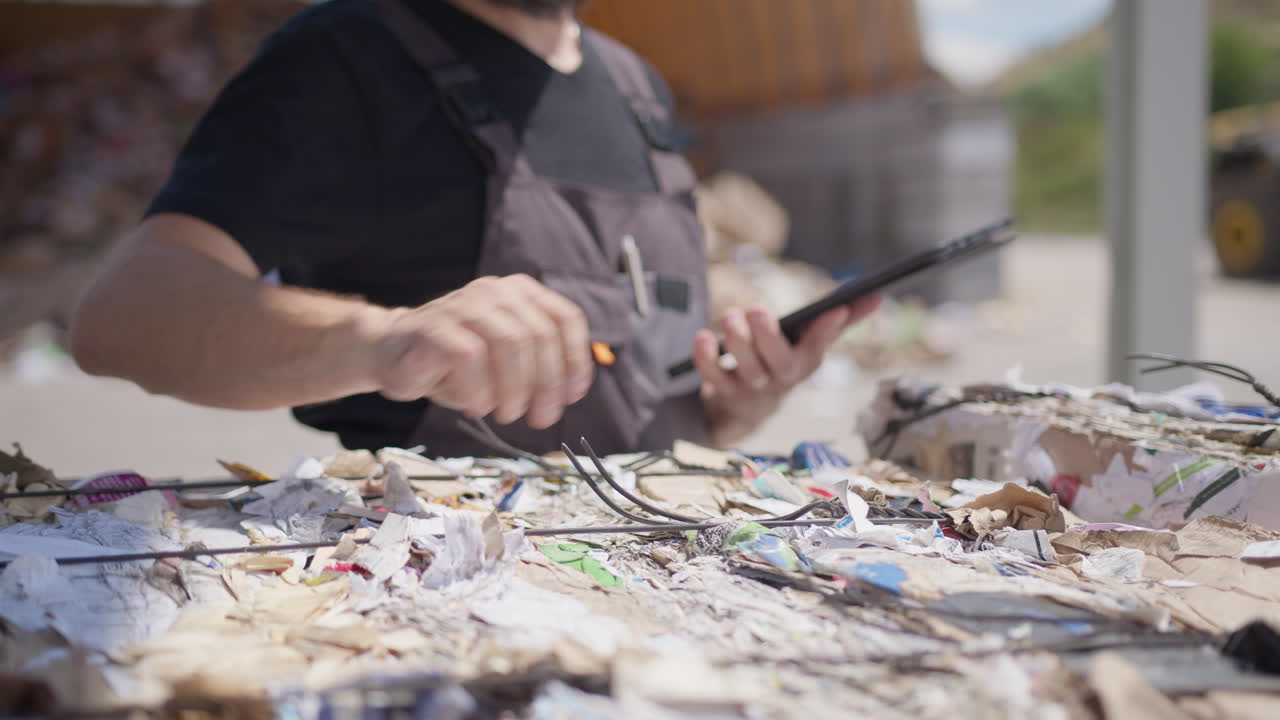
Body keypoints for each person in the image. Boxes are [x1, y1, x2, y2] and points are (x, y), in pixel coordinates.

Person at [68, 0, 878, 457]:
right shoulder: (342, 60)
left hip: (655, 584)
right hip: (451, 602)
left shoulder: (638, 87)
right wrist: (385, 342)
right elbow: (123, 319)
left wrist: (734, 409)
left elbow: (654, 398)